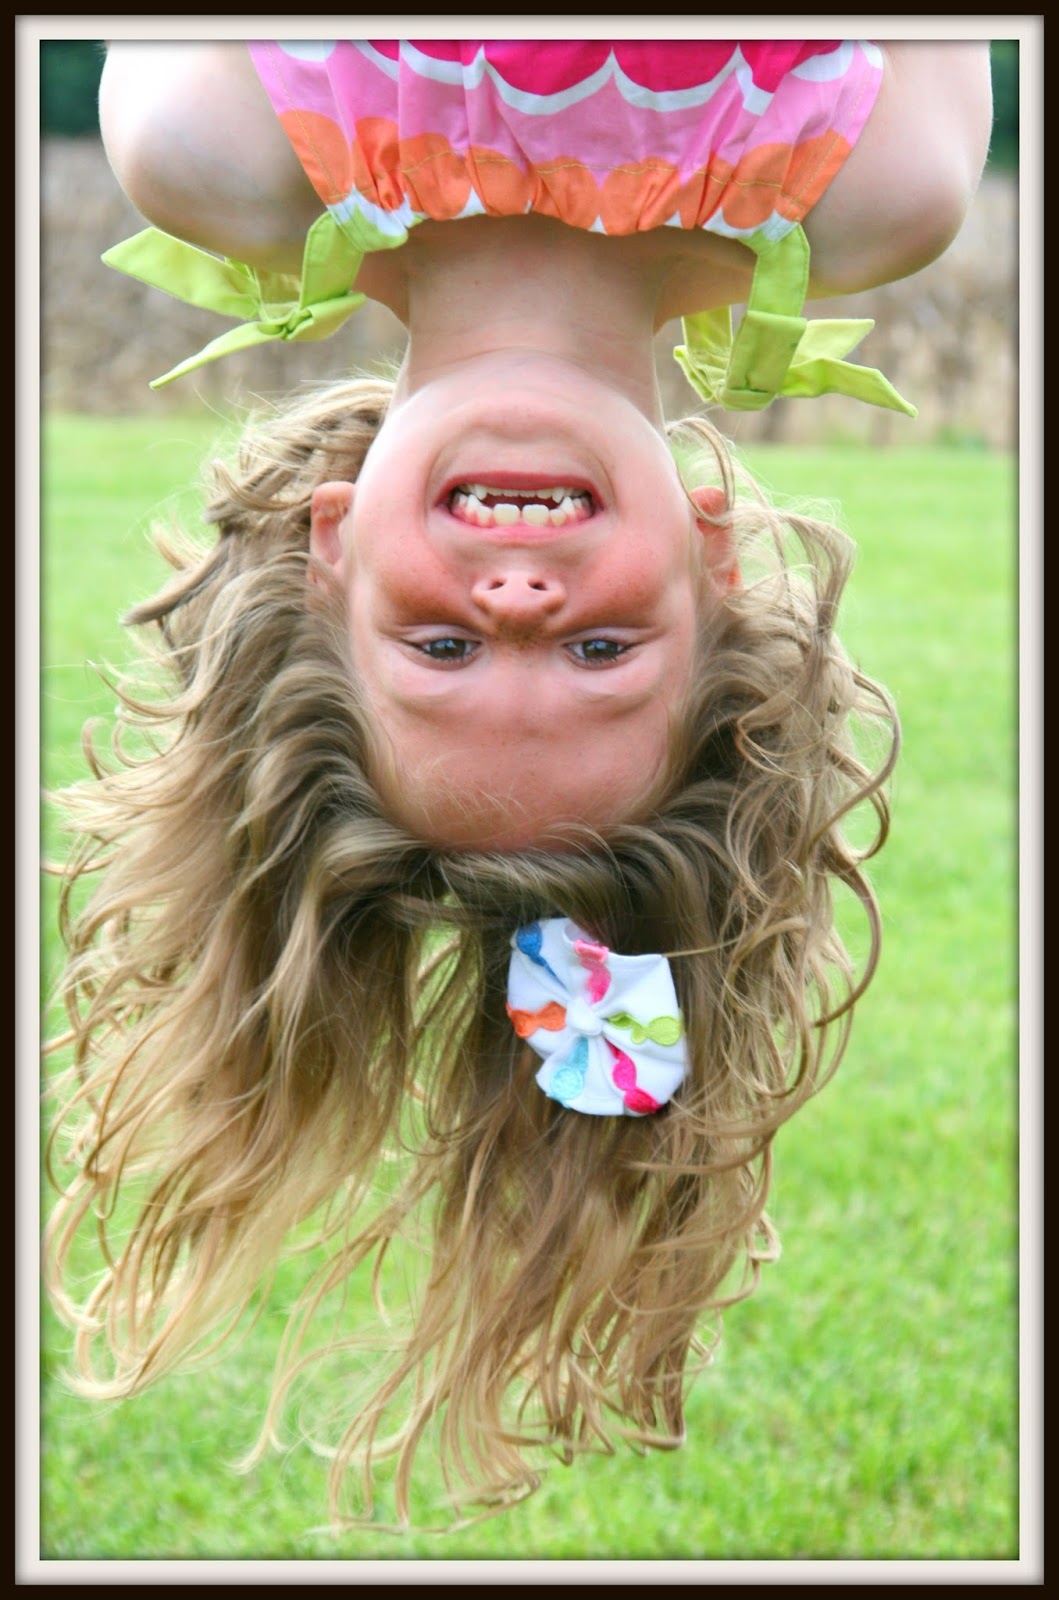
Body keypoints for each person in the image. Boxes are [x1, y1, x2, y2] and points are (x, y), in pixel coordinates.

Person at [45, 40, 993, 1526]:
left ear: (332, 552)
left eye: (440, 648)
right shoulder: (882, 182)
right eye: (603, 651)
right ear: (713, 558)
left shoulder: (215, 144)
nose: (521, 605)